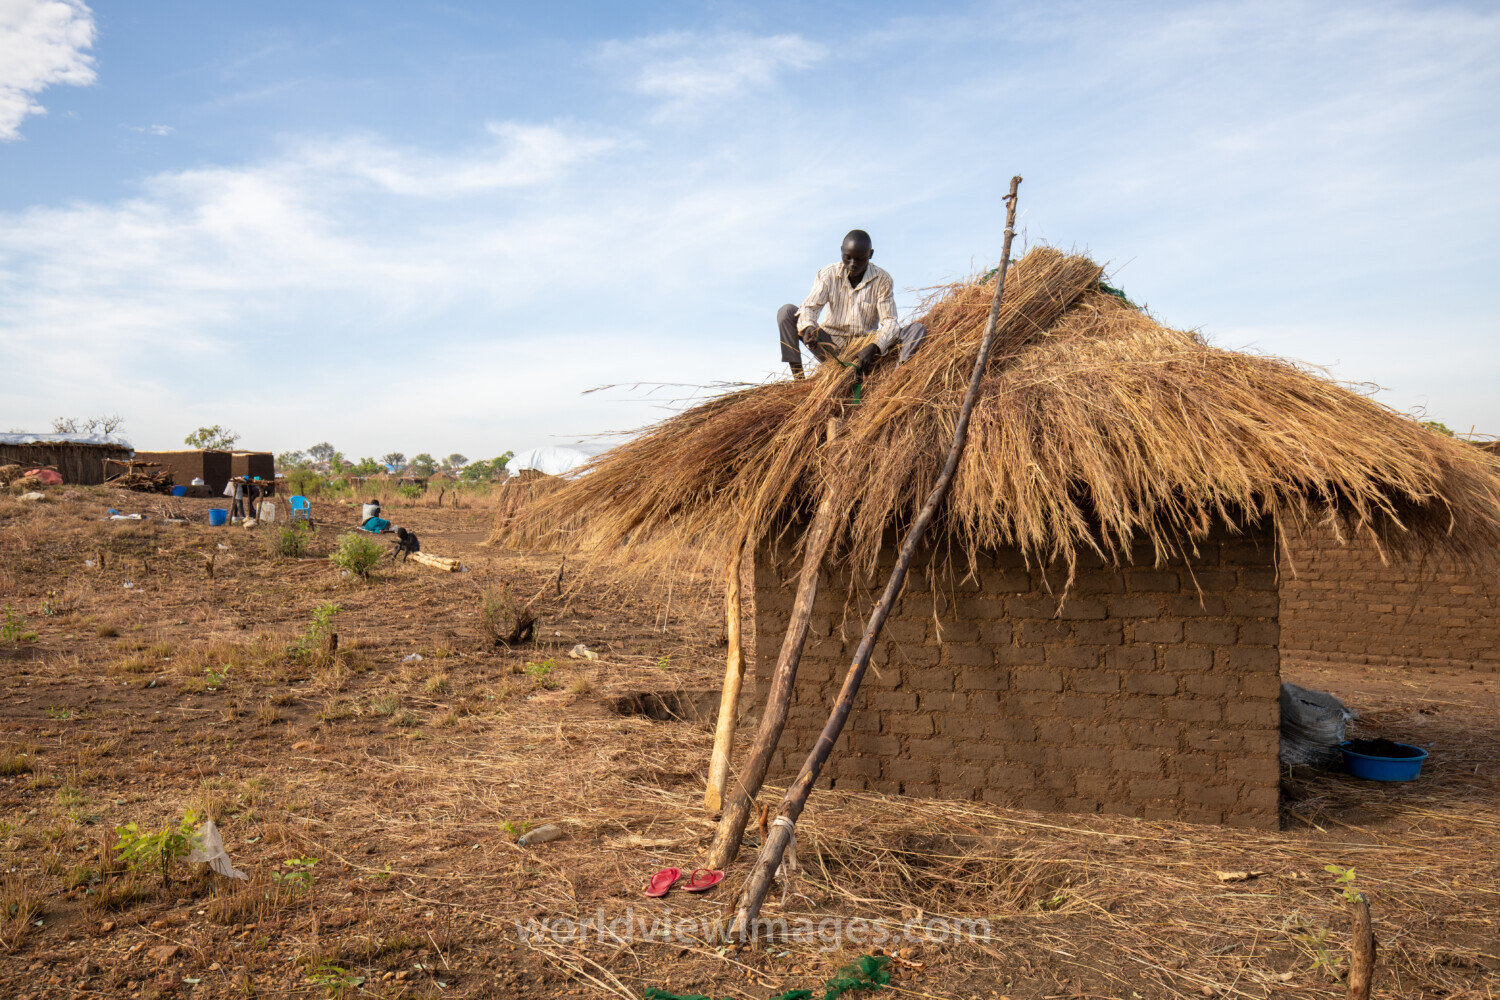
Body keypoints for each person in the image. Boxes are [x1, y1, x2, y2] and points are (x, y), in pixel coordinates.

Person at [777, 230, 928, 380]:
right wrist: (808, 327)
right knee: (787, 312)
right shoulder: (828, 274)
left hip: (865, 348)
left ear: (870, 254)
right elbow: (810, 307)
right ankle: (798, 380)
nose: (852, 264)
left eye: (859, 259)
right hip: (832, 348)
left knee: (917, 329)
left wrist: (875, 346)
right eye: (847, 258)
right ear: (841, 251)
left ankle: (896, 380)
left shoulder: (882, 280)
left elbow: (890, 322)